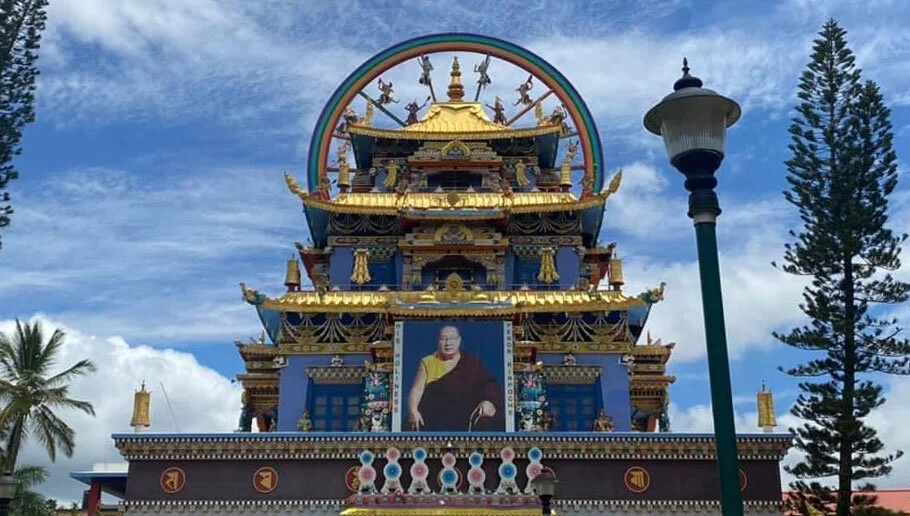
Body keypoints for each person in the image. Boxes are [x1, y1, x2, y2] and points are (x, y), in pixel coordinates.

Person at [407, 325, 504, 431]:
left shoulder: (471, 363)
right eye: (443, 339)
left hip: (465, 417)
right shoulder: (428, 362)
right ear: (438, 341)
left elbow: (489, 385)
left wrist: (489, 402)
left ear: (459, 341)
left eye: (452, 339)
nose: (448, 343)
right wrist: (413, 410)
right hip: (433, 418)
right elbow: (417, 389)